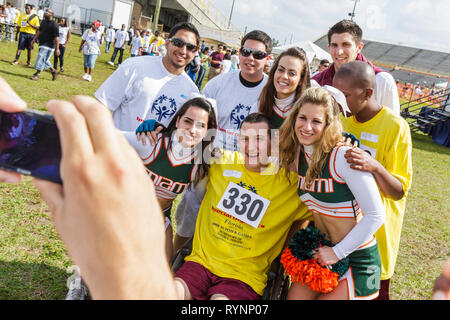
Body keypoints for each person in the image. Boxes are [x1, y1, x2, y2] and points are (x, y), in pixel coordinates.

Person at [174, 112, 311, 300]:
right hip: (199, 264)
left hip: (242, 278)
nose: (251, 146)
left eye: (259, 139)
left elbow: (333, 208)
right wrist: (158, 130)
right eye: (245, 139)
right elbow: (181, 147)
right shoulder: (220, 162)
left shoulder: (290, 184)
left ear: (273, 143)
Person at [169, 30, 273, 252]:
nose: (250, 59)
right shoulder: (219, 83)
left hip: (246, 166)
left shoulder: (271, 91)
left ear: (268, 59)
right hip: (210, 160)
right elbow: (200, 119)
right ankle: (177, 254)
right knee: (191, 207)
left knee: (229, 222)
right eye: (246, 52)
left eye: (258, 54)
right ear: (239, 52)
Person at [278, 87, 385, 300]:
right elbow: (255, 153)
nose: (307, 127)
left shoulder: (343, 156)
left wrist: (337, 252)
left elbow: (376, 215)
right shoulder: (295, 155)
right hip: (321, 252)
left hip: (357, 258)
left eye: (316, 121)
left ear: (328, 124)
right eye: (302, 118)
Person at [332, 61, 413, 300]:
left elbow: (399, 191)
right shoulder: (341, 120)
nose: (338, 101)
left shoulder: (395, 127)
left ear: (367, 93)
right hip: (342, 234)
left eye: (345, 95)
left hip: (376, 237)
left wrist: (374, 166)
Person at [123, 97, 217, 260]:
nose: (192, 130)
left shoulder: (200, 166)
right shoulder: (152, 141)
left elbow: (205, 200)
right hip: (124, 210)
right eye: (188, 121)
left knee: (164, 266)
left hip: (158, 216)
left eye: (201, 125)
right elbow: (105, 134)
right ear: (178, 120)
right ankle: (80, 275)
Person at [95, 21, 200, 132]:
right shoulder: (134, 66)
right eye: (178, 43)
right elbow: (101, 106)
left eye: (190, 47)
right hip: (120, 147)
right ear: (167, 43)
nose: (183, 51)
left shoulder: (191, 91)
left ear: (195, 52)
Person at [312, 19, 400, 115]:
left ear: (359, 47)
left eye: (346, 45)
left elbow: (392, 124)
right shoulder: (316, 82)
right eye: (334, 45)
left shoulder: (382, 80)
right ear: (329, 47)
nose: (339, 52)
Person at [258, 46, 311, 129]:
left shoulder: (307, 110)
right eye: (281, 70)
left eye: (292, 73)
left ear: (301, 80)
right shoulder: (260, 104)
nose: (284, 76)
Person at [29, 8, 59, 81]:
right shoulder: (43, 22)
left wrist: (57, 49)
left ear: (52, 14)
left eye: (47, 12)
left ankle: (37, 74)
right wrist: (34, 39)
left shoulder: (55, 24)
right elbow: (39, 31)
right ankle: (54, 71)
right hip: (42, 43)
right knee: (44, 60)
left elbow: (56, 38)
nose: (45, 13)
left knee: (40, 57)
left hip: (49, 46)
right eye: (45, 12)